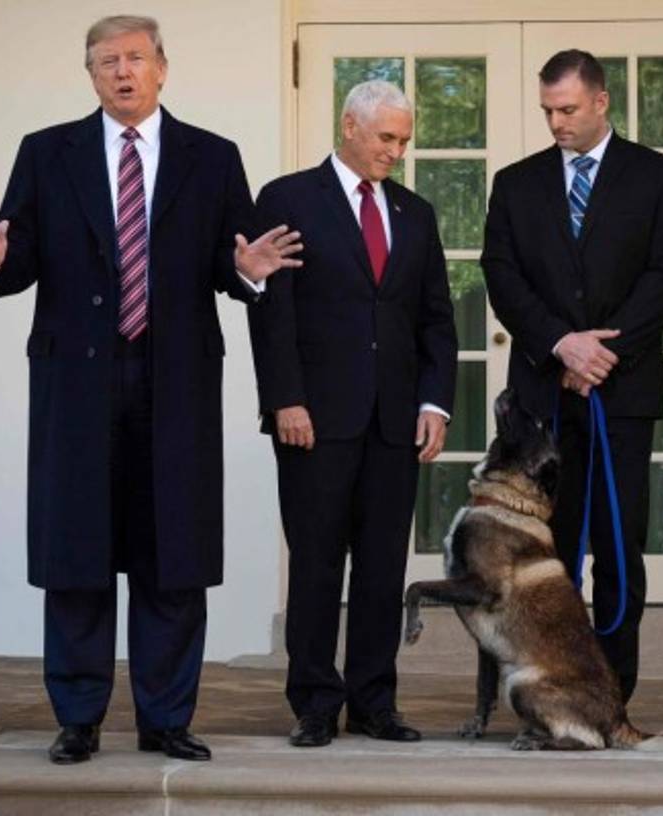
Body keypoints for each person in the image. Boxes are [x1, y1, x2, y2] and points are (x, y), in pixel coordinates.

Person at [0, 15, 300, 765]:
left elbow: (232, 262)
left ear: (163, 67)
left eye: (135, 58)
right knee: (78, 553)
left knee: (173, 554)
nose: (122, 71)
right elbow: (19, 257)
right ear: (91, 75)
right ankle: (79, 718)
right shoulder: (47, 154)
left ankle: (167, 719)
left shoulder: (212, 156)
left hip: (177, 384)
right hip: (77, 384)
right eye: (106, 62)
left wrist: (249, 274)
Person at [248, 80, 458, 748]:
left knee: (380, 568)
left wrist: (435, 402)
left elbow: (436, 321)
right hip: (313, 417)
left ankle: (374, 701)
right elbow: (271, 310)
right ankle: (314, 702)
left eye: (403, 139)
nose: (395, 151)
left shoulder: (416, 213)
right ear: (348, 127)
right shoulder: (287, 198)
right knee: (315, 563)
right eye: (385, 137)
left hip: (395, 422)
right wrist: (286, 398)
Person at [480, 49, 663, 704]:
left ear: (602, 101)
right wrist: (561, 344)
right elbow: (502, 276)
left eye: (567, 109)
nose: (556, 122)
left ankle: (610, 693)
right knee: (545, 546)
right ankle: (545, 688)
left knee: (618, 542)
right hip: (543, 398)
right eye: (547, 110)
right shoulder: (516, 184)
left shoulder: (657, 177)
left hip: (621, 396)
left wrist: (605, 352)